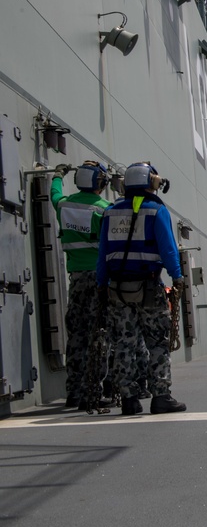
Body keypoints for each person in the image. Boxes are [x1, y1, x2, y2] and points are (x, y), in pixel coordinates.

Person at [96, 162, 187, 415]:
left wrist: (101, 284)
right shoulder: (156, 211)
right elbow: (168, 248)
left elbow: (102, 253)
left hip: (117, 290)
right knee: (157, 341)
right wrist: (177, 277)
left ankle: (129, 400)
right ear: (152, 182)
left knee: (123, 343)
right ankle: (161, 396)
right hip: (148, 288)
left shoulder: (110, 212)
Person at [50, 161, 113, 409]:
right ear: (100, 184)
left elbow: (54, 195)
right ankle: (93, 392)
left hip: (75, 279)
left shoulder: (64, 206)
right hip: (99, 280)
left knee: (76, 335)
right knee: (99, 334)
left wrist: (57, 175)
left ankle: (73, 392)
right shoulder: (105, 210)